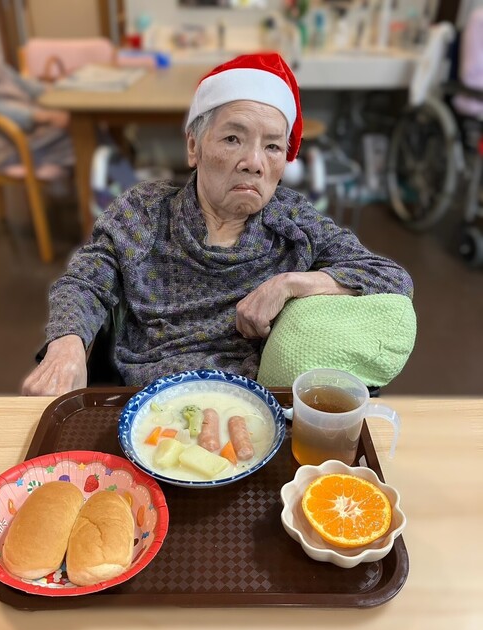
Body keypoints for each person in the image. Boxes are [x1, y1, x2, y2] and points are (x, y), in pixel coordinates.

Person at [22, 52, 413, 396]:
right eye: (232, 139)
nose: (254, 162)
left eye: (272, 146)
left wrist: (291, 284)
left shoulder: (294, 223)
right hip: (148, 402)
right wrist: (66, 346)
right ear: (194, 146)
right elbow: (85, 281)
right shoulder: (144, 212)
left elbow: (391, 278)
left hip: (255, 409)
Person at [0, 0, 74, 172]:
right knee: (84, 136)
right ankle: (116, 186)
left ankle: (115, 185)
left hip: (23, 134)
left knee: (86, 127)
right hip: (6, 144)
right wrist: (41, 116)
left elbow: (14, 80)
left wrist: (53, 89)